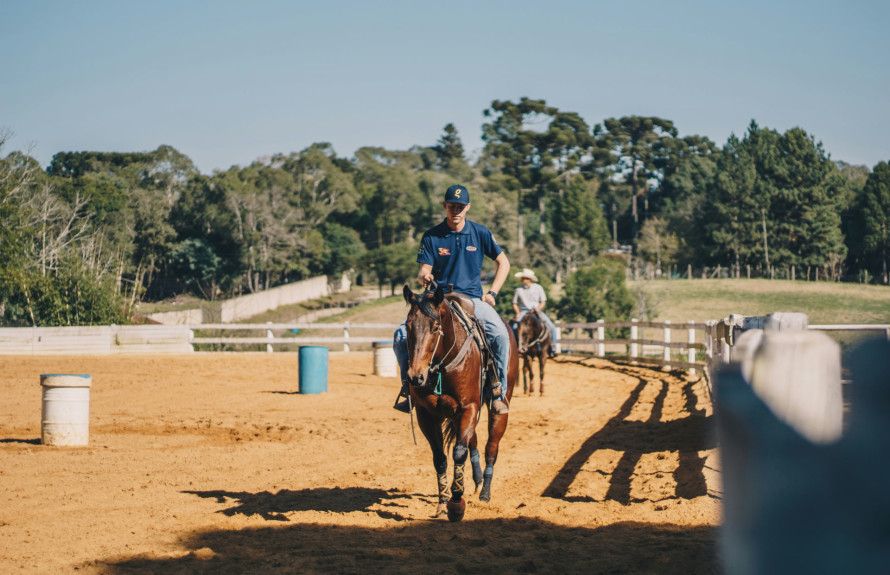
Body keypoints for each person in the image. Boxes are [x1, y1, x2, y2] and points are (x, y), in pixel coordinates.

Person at [394, 183, 512, 415]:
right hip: (438, 298)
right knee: (400, 336)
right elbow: (423, 270)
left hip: (471, 298)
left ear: (467, 207)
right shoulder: (432, 236)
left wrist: (492, 293)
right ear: (444, 206)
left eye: (460, 206)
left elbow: (504, 262)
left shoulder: (480, 233)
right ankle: (409, 388)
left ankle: (498, 392)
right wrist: (424, 275)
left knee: (499, 334)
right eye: (451, 206)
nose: (456, 210)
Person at [511, 268, 558, 358]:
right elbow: (514, 303)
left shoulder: (538, 288)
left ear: (530, 279)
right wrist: (517, 313)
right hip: (524, 312)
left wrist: (538, 308)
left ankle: (553, 348)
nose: (522, 280)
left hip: (536, 311)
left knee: (552, 327)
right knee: (514, 328)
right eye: (522, 278)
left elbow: (543, 301)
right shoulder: (518, 290)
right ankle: (515, 348)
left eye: (524, 278)